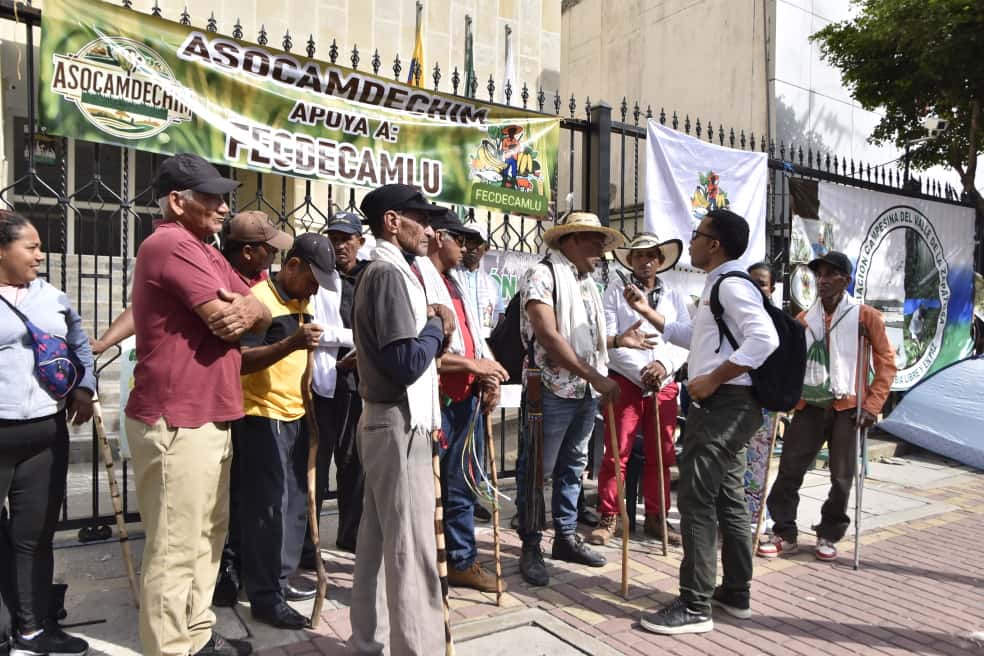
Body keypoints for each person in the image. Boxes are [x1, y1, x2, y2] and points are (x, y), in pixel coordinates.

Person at [125, 153, 271, 656]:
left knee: (207, 537)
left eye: (223, 197)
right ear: (176, 201)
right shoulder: (170, 243)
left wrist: (249, 309)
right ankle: (169, 647)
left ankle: (197, 635)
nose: (224, 207)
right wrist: (247, 311)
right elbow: (224, 321)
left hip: (208, 416)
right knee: (175, 549)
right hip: (176, 420)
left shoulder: (205, 249)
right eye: (210, 197)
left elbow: (260, 311)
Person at [631, 208, 779, 635]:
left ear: (714, 244)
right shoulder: (718, 284)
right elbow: (692, 336)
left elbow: (765, 339)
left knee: (696, 499)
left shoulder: (731, 285)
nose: (691, 241)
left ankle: (695, 605)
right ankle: (735, 591)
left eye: (697, 234)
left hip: (723, 406)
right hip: (728, 405)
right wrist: (647, 312)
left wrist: (714, 378)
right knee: (729, 497)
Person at [348, 184, 454, 655]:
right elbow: (406, 362)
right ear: (392, 221)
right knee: (411, 548)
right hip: (397, 422)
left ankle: (366, 641)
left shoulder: (392, 271)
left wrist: (432, 326)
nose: (430, 231)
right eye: (421, 219)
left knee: (376, 541)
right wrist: (436, 325)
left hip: (389, 420)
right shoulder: (388, 274)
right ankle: (416, 647)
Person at [0, 211, 94, 656]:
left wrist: (85, 387)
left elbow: (79, 345)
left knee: (33, 538)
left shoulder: (52, 296)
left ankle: (33, 629)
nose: (40, 255)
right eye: (31, 247)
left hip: (44, 433)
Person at [761, 251, 895, 561]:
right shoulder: (804, 320)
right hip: (810, 405)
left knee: (842, 477)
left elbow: (887, 362)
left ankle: (829, 533)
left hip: (848, 407)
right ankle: (784, 532)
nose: (822, 280)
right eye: (819, 274)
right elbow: (792, 363)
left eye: (830, 274)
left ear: (845, 281)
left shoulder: (865, 317)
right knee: (789, 471)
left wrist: (872, 404)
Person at [514, 211, 624, 588]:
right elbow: (548, 336)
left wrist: (606, 360)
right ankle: (531, 544)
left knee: (573, 467)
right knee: (537, 470)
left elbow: (589, 337)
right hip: (550, 389)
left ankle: (564, 536)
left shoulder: (585, 283)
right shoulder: (542, 275)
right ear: (572, 239)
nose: (602, 251)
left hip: (583, 392)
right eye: (595, 241)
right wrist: (596, 376)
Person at [236, 233, 335, 629]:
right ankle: (264, 596)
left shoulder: (300, 301)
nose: (315, 290)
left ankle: (279, 580)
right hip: (263, 416)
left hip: (296, 415)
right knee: (269, 509)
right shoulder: (259, 301)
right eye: (312, 280)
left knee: (295, 505)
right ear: (292, 266)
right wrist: (292, 343)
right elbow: (242, 360)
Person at [418, 209, 508, 593]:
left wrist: (487, 374)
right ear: (440, 238)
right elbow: (421, 351)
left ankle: (460, 559)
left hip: (466, 397)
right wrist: (473, 364)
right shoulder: (418, 278)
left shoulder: (456, 282)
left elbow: (475, 337)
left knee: (461, 484)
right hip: (435, 399)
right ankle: (428, 563)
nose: (467, 248)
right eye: (461, 239)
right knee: (428, 487)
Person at [214, 211, 294, 607]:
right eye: (268, 249)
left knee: (248, 493)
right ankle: (226, 570)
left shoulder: (262, 285)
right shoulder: (218, 282)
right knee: (225, 495)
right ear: (247, 252)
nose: (273, 257)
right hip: (222, 405)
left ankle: (245, 567)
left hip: (249, 405)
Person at [589, 232, 689, 547]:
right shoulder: (614, 292)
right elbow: (609, 339)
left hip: (664, 383)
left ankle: (657, 516)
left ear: (660, 261)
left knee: (662, 454)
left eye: (651, 256)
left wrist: (663, 365)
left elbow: (684, 339)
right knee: (617, 452)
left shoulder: (674, 295)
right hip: (625, 381)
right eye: (640, 256)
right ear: (631, 260)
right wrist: (641, 372)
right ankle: (610, 514)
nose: (645, 262)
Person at [303, 211, 367, 564]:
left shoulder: (369, 276)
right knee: (316, 460)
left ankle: (350, 533)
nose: (340, 245)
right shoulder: (318, 275)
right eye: (334, 238)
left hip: (356, 385)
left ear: (360, 241)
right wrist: (354, 339)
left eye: (346, 239)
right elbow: (313, 329)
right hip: (322, 382)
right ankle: (307, 543)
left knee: (353, 462)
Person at [743, 262, 779, 533]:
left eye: (762, 283)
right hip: (736, 397)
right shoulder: (738, 313)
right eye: (751, 282)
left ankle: (756, 516)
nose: (756, 288)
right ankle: (734, 515)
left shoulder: (777, 320)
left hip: (765, 401)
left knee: (758, 462)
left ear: (772, 288)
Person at [457, 224, 504, 338]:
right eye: (469, 240)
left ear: (486, 248)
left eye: (477, 242)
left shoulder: (492, 284)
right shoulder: (451, 274)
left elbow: (499, 317)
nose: (473, 246)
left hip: (484, 342)